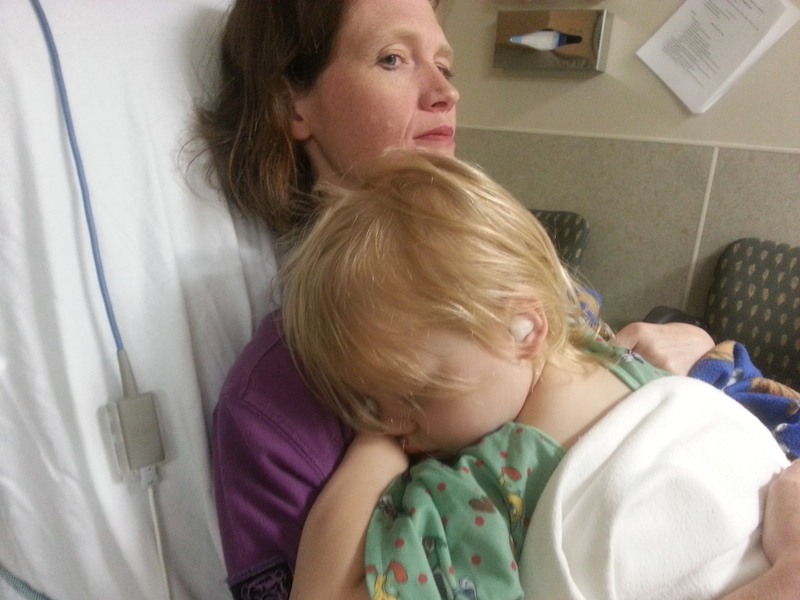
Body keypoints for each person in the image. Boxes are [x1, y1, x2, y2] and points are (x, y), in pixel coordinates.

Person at [197, 0, 800, 598]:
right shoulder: (274, 403)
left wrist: (702, 362)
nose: (445, 92)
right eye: (392, 58)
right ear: (291, 103)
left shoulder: (523, 283)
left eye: (445, 65)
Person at [280, 150, 796, 600]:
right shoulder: (621, 362)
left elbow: (324, 593)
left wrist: (372, 446)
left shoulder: (485, 488)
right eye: (368, 406)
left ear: (524, 328)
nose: (395, 425)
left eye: (415, 394)